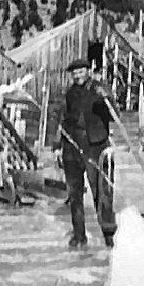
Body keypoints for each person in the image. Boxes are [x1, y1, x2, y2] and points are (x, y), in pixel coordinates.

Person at [55, 59, 117, 248]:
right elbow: (61, 120)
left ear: (88, 71)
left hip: (95, 146)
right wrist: (58, 146)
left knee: (102, 192)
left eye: (81, 71)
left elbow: (115, 113)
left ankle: (108, 233)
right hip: (72, 146)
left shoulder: (99, 90)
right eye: (74, 73)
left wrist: (107, 98)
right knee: (75, 194)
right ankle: (79, 235)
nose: (77, 75)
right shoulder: (70, 93)